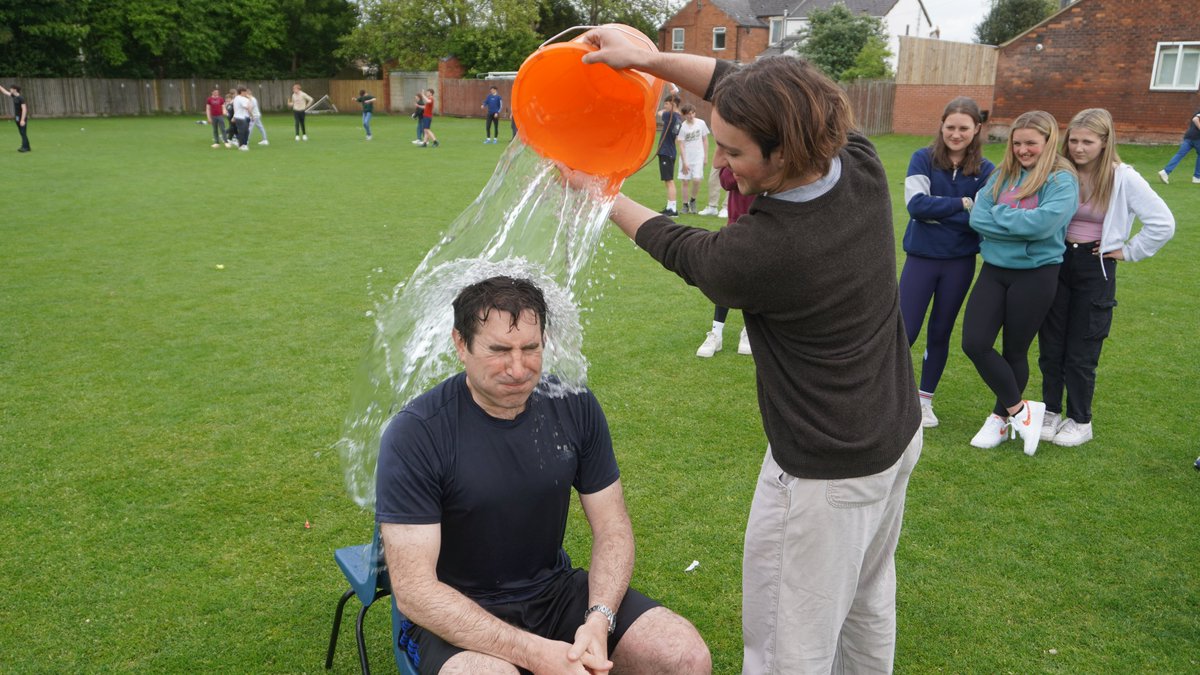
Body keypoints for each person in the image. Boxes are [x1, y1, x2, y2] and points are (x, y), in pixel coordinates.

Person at [579, 30, 922, 673]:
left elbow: (686, 250)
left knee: (788, 642)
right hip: (892, 436)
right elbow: (737, 81)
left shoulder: (769, 250)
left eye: (734, 152)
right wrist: (649, 60)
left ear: (784, 150)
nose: (720, 166)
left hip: (826, 469)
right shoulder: (858, 160)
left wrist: (600, 191)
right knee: (867, 602)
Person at [376, 276, 711, 675]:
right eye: (499, 350)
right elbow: (415, 591)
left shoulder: (574, 405)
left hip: (554, 593)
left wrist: (598, 621)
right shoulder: (417, 432)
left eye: (530, 348)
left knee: (684, 656)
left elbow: (612, 527)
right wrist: (537, 654)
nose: (518, 369)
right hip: (456, 614)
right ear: (460, 344)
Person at [1037, 108, 1175, 447]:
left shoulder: (1122, 177)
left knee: (1082, 349)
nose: (1079, 148)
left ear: (1104, 142)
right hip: (1055, 262)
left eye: (1088, 142)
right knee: (1051, 345)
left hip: (1094, 268)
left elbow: (1163, 222)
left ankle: (1081, 420)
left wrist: (1127, 250)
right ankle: (1051, 410)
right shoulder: (1057, 170)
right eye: (1074, 140)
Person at [963, 110, 1079, 456]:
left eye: (1031, 143)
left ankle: (1000, 418)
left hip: (1036, 274)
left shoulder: (1061, 180)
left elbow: (1042, 226)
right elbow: (976, 217)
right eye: (1017, 143)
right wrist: (1015, 221)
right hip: (994, 270)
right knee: (975, 342)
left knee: (1015, 350)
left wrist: (998, 216)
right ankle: (1021, 410)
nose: (1023, 150)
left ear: (1047, 142)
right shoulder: (1002, 174)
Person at [899, 97, 995, 428]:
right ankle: (888, 396)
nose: (956, 134)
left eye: (964, 128)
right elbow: (916, 207)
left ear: (977, 129)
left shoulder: (987, 171)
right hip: (921, 259)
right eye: (950, 127)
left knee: (940, 331)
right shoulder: (922, 158)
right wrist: (962, 204)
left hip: (959, 262)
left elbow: (980, 220)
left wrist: (942, 211)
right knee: (904, 331)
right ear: (941, 125)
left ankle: (925, 402)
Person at [695, 166, 754, 358]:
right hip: (735, 224)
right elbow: (727, 181)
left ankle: (748, 332)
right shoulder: (735, 156)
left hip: (761, 224)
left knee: (753, 278)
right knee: (725, 277)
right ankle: (716, 333)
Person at [675, 103, 709, 214]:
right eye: (688, 114)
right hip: (686, 157)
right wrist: (684, 162)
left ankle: (693, 200)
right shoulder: (682, 126)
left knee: (697, 179)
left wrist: (705, 156)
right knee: (685, 181)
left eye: (692, 113)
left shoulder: (701, 123)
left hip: (698, 156)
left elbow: (705, 140)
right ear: (684, 115)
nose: (691, 116)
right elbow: (681, 145)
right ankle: (685, 205)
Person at [1156, 106, 1200, 185]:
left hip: (1189, 136)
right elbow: (1195, 119)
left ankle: (1165, 172)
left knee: (1179, 155)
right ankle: (1197, 177)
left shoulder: (1198, 110)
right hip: (1197, 138)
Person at [655, 95, 683, 216]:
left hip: (666, 152)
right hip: (669, 151)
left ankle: (672, 209)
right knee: (668, 181)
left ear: (673, 105)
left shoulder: (669, 116)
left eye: (666, 104)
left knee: (669, 181)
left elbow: (659, 113)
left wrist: (666, 110)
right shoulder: (678, 118)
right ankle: (670, 207)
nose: (664, 106)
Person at [0, 83, 30, 152]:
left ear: (15, 90)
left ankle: (25, 148)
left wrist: (22, 120)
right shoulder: (14, 96)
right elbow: (5, 92)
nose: (10, 89)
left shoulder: (21, 98)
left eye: (11, 88)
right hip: (17, 118)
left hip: (22, 118)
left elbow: (24, 109)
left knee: (23, 132)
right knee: (22, 132)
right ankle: (27, 147)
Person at [231, 86, 252, 151]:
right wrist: (252, 115)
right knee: (243, 131)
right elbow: (247, 107)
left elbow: (235, 108)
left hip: (241, 117)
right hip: (241, 117)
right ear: (242, 92)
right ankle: (241, 145)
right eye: (245, 91)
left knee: (246, 131)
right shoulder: (241, 98)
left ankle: (244, 144)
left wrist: (234, 116)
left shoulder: (237, 98)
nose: (246, 93)